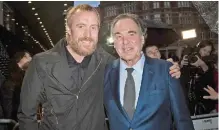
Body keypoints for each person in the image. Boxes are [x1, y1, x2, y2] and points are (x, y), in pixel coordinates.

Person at [18, 4, 181, 130]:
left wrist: (166, 69)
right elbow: (27, 115)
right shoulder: (42, 63)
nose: (88, 35)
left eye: (93, 27)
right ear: (68, 30)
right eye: (81, 26)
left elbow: (135, 67)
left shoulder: (106, 62)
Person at [104, 13, 194, 130]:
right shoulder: (105, 73)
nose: (125, 41)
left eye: (131, 34)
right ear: (114, 43)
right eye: (118, 36)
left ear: (142, 39)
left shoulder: (166, 70)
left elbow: (182, 119)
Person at [180, 40, 216, 115]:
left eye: (208, 52)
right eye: (204, 50)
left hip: (205, 105)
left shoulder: (210, 66)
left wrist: (203, 65)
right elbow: (182, 81)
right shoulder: (189, 62)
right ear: (199, 49)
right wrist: (181, 65)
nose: (206, 53)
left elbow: (210, 84)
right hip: (189, 105)